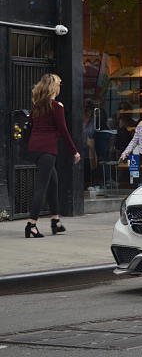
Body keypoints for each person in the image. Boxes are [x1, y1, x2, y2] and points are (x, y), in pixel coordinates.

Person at [26, 73, 81, 238]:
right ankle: (31, 224)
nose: (60, 87)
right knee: (41, 188)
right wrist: (74, 151)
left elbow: (37, 127)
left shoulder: (37, 105)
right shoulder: (57, 106)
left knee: (53, 183)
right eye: (59, 84)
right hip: (47, 150)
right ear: (53, 87)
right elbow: (64, 131)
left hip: (34, 148)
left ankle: (56, 221)